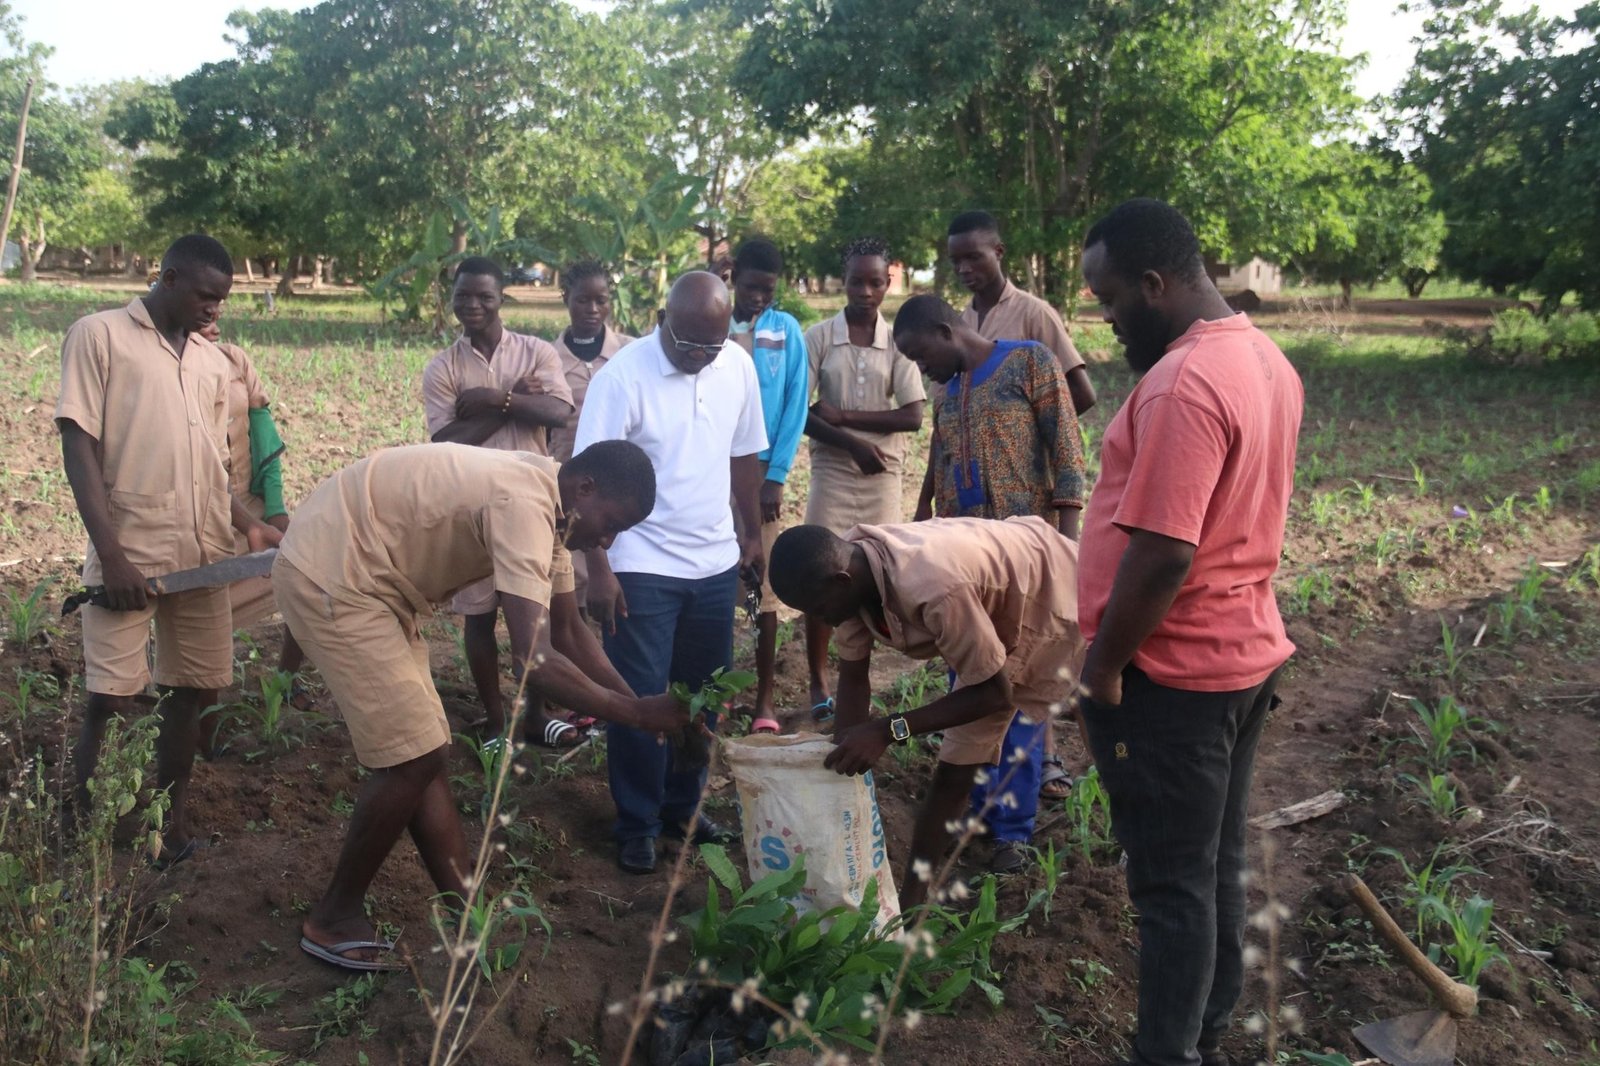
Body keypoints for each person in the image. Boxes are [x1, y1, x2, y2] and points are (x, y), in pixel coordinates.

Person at [276, 440, 686, 971]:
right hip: (338, 574)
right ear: (586, 488)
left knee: (424, 747)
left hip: (374, 582)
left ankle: (467, 913)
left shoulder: (556, 508)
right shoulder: (523, 503)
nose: (607, 541)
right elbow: (533, 658)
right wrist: (636, 715)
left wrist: (643, 709)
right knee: (413, 755)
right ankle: (333, 918)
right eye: (611, 524)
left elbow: (567, 631)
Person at [1076, 198, 1303, 1066]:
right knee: (1213, 865)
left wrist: (1103, 667)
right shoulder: (1263, 359)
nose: (1106, 318)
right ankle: (1206, 1030)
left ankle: (1168, 1054)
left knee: (1172, 889)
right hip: (1240, 656)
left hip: (1173, 676)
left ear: (1153, 284)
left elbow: (1166, 552)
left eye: (1108, 299)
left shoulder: (1184, 383)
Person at [55, 234, 283, 865]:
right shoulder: (99, 336)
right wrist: (112, 554)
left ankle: (169, 825)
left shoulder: (212, 362)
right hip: (129, 548)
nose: (216, 309)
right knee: (111, 697)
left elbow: (211, 462)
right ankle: (94, 831)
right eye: (207, 296)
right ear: (171, 278)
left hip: (203, 552)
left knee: (193, 689)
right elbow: (78, 444)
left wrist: (248, 523)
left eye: (223, 299)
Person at [767, 518, 1081, 909]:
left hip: (1054, 597)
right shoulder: (847, 570)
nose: (822, 621)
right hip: (992, 606)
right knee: (956, 766)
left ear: (842, 581)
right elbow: (853, 678)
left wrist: (888, 730)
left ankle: (911, 905)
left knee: (1100, 719)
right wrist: (839, 768)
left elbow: (993, 694)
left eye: (819, 609)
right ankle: (911, 907)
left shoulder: (934, 588)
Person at [574, 271, 767, 875]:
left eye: (712, 346)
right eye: (688, 345)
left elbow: (743, 455)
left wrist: (752, 533)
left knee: (703, 695)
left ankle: (683, 810)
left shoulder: (736, 366)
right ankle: (637, 821)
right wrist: (599, 569)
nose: (700, 357)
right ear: (663, 320)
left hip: (714, 562)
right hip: (641, 564)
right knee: (639, 697)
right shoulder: (621, 378)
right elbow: (587, 483)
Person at [892, 293, 1085, 873]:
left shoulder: (1030, 362)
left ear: (945, 330)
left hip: (1027, 566)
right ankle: (971, 810)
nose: (923, 370)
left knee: (1017, 691)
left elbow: (1067, 452)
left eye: (922, 355)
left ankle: (1010, 830)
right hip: (965, 565)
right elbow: (941, 460)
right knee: (970, 686)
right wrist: (924, 514)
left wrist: (1067, 548)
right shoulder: (948, 393)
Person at [939, 209, 1098, 800]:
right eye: (956, 260)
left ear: (999, 252)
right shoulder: (957, 323)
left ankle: (1044, 760)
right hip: (972, 523)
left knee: (1035, 640)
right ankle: (985, 761)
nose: (965, 268)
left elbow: (1074, 395)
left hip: (1025, 511)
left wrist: (1023, 432)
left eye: (974, 256)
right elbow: (948, 424)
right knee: (989, 646)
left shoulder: (1033, 316)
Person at [421, 257, 577, 749]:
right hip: (472, 506)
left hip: (534, 503)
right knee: (480, 616)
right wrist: (513, 401)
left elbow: (558, 410)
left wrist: (494, 400)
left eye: (484, 296)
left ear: (501, 298)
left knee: (535, 615)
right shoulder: (443, 367)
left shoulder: (536, 351)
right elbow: (446, 442)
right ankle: (494, 720)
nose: (472, 305)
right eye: (463, 296)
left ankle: (536, 715)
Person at [801, 238, 925, 723]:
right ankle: (818, 679)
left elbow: (913, 416)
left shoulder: (896, 342)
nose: (866, 292)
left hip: (882, 474)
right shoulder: (818, 338)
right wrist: (851, 444)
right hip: (831, 472)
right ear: (844, 280)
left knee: (875, 575)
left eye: (876, 282)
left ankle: (859, 677)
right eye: (857, 281)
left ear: (888, 283)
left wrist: (844, 417)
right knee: (818, 570)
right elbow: (799, 413)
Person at [198, 316, 307, 708]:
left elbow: (262, 430)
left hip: (248, 504)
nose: (214, 322)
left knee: (303, 575)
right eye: (205, 308)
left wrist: (275, 509)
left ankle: (285, 680)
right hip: (200, 511)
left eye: (217, 311)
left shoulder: (234, 359)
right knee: (203, 614)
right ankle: (197, 702)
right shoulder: (163, 369)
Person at [727, 237, 809, 734]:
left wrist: (775, 477)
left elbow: (796, 403)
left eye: (768, 289)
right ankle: (715, 692)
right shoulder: (714, 321)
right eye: (751, 287)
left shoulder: (785, 330)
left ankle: (764, 700)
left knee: (762, 588)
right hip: (712, 469)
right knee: (715, 582)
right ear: (733, 274)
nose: (759, 298)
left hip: (759, 474)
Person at [548, 260, 637, 614]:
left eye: (601, 300)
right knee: (571, 579)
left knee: (623, 568)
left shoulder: (630, 353)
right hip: (568, 486)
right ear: (566, 299)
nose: (593, 309)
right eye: (583, 300)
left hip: (623, 482)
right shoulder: (548, 359)